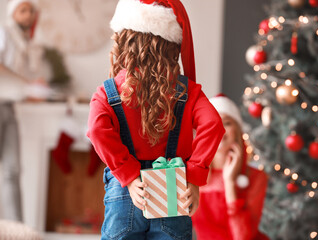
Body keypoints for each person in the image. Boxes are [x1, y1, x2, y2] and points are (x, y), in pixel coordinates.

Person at [87, 0, 225, 240]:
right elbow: (213, 124)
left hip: (127, 191)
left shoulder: (108, 92)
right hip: (172, 189)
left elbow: (96, 130)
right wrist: (192, 175)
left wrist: (128, 174)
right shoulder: (187, 91)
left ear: (123, 42)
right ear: (172, 47)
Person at [192, 94, 269, 240]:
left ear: (237, 130)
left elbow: (243, 237)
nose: (219, 129)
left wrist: (229, 183)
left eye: (226, 123)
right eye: (212, 123)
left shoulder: (256, 177)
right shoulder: (193, 175)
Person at [0, 0, 49, 221]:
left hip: (10, 106)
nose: (28, 15)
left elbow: (18, 80)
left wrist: (30, 92)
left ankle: (17, 228)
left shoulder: (28, 42)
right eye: (23, 10)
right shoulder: (3, 32)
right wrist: (27, 85)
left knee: (13, 170)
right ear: (13, 14)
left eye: (31, 10)